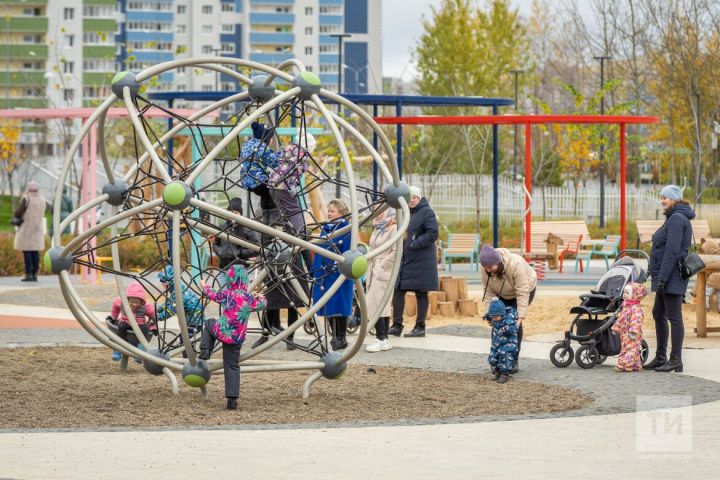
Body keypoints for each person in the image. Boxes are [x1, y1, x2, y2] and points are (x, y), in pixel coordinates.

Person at [199, 265, 267, 410]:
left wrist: (205, 286)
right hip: (236, 339)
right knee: (231, 366)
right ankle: (232, 400)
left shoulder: (228, 294)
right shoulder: (248, 299)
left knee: (209, 323)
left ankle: (205, 351)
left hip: (222, 331)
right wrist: (261, 296)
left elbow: (211, 294)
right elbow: (262, 304)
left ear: (230, 280)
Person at [645, 184, 695, 373]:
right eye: (661, 197)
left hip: (671, 275)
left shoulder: (676, 219)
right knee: (659, 313)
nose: (662, 201)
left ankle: (675, 359)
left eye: (665, 197)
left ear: (674, 199)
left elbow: (672, 251)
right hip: (666, 275)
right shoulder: (673, 217)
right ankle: (660, 357)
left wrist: (663, 279)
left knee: (674, 317)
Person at [389, 186, 438, 338]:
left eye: (414, 198)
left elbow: (433, 233)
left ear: (419, 198)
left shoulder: (427, 212)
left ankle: (420, 326)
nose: (411, 201)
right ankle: (397, 325)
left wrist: (413, 244)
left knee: (421, 292)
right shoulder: (405, 213)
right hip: (406, 260)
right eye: (409, 198)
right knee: (398, 290)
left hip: (422, 260)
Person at [479, 244, 537, 373]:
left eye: (490, 267)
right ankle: (498, 359)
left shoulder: (515, 264)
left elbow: (522, 291)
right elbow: (488, 291)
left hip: (525, 289)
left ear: (498, 262)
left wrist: (520, 316)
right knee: (497, 320)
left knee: (512, 321)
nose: (488, 270)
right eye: (485, 268)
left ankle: (512, 360)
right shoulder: (485, 269)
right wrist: (490, 313)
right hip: (502, 292)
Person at [311, 199, 353, 350]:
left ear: (341, 213)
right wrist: (316, 270)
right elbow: (319, 250)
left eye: (332, 211)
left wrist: (340, 267)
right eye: (328, 211)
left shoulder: (346, 229)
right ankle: (335, 335)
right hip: (325, 273)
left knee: (340, 305)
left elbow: (348, 251)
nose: (329, 213)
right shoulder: (326, 229)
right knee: (327, 304)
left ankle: (341, 336)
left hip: (339, 273)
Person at [365, 207, 398, 352]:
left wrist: (382, 266)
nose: (377, 214)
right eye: (375, 211)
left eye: (380, 211)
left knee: (377, 304)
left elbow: (396, 251)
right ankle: (383, 338)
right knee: (380, 305)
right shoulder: (377, 227)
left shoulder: (393, 228)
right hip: (374, 268)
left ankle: (380, 338)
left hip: (383, 270)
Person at [157, 265, 205, 352]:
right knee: (187, 341)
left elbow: (173, 309)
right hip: (191, 320)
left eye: (162, 281)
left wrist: (159, 317)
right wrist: (159, 309)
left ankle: (189, 360)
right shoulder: (176, 290)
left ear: (170, 280)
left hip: (195, 321)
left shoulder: (179, 292)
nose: (161, 283)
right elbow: (170, 303)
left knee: (184, 341)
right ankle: (190, 358)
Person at [107, 281, 157, 362]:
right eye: (132, 302)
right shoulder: (121, 302)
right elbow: (115, 307)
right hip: (125, 321)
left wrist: (153, 326)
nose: (134, 304)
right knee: (121, 328)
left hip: (139, 323)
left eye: (136, 302)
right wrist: (113, 317)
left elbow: (154, 315)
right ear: (127, 299)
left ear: (141, 301)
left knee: (145, 330)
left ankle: (140, 351)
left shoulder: (146, 306)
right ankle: (117, 350)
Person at [212, 197, 260, 270]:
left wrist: (239, 252)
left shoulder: (247, 229)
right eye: (230, 213)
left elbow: (256, 249)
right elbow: (215, 244)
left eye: (235, 213)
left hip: (240, 269)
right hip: (223, 268)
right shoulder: (222, 227)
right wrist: (219, 251)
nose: (232, 215)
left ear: (240, 214)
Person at [13, 181, 47, 282]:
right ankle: (35, 274)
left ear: (28, 188)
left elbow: (18, 214)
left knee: (27, 250)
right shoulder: (42, 199)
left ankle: (28, 274)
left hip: (27, 228)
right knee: (35, 251)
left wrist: (15, 211)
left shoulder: (26, 198)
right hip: (37, 229)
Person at [612, 282, 648, 372]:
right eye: (624, 292)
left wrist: (633, 332)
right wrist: (616, 327)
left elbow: (636, 321)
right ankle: (636, 365)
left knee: (630, 349)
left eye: (627, 293)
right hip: (624, 333)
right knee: (629, 348)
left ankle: (625, 365)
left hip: (633, 334)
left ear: (635, 295)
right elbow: (621, 319)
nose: (624, 295)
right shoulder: (626, 306)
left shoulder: (636, 309)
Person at [485, 297, 518, 384]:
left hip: (508, 344)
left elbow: (513, 329)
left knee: (505, 357)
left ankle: (505, 374)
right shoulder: (495, 317)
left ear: (502, 314)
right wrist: (488, 318)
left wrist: (506, 329)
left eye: (496, 317)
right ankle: (497, 371)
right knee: (493, 357)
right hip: (497, 342)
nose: (494, 319)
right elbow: (492, 320)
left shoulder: (509, 319)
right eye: (493, 317)